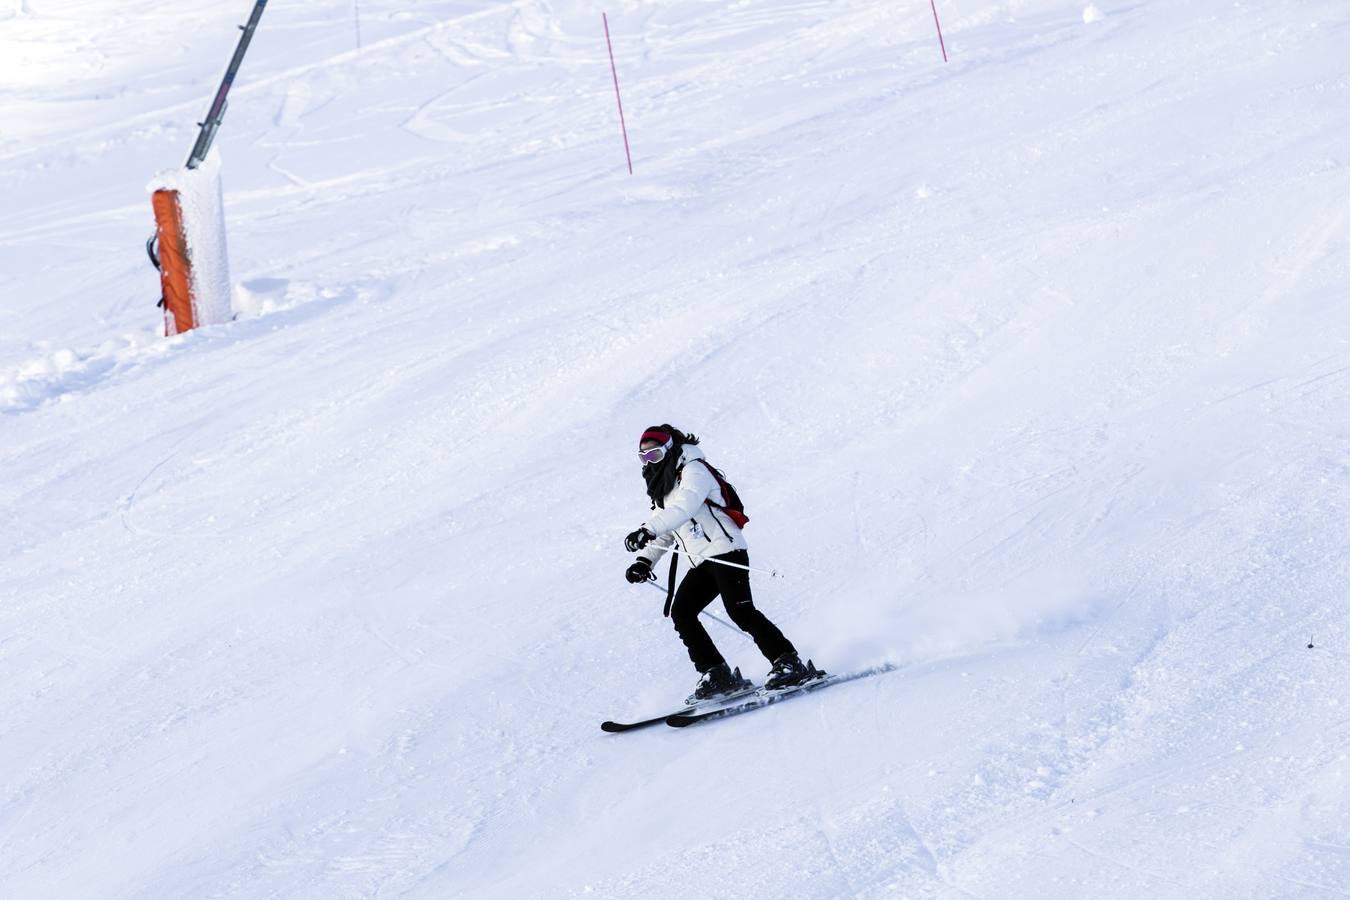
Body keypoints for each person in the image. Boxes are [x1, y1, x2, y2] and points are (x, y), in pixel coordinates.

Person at [623, 424, 811, 702]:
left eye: (655, 455)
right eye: (644, 457)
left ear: (669, 449)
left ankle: (788, 662)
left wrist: (647, 529)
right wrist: (644, 561)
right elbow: (668, 530)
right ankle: (716, 673)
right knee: (682, 613)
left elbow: (684, 508)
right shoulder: (663, 490)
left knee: (741, 612)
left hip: (727, 552)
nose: (650, 462)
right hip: (701, 561)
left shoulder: (694, 470)